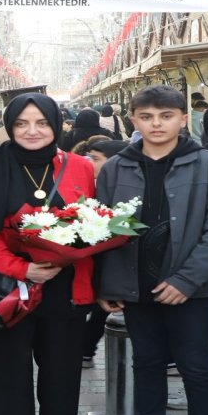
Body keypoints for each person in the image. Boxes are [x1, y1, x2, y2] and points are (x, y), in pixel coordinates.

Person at [94, 85, 208, 415]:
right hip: (136, 283)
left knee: (195, 364)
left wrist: (187, 280)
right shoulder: (116, 167)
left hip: (191, 287)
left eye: (166, 116)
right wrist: (108, 285)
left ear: (182, 119)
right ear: (133, 120)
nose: (156, 124)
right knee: (146, 361)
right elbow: (101, 229)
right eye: (147, 117)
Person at [0, 94, 96, 415]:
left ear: (56, 125)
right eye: (21, 123)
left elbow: (93, 222)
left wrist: (64, 256)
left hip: (65, 280)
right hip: (8, 283)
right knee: (6, 364)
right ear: (9, 126)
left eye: (41, 122)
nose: (32, 131)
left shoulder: (80, 166)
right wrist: (22, 268)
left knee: (62, 363)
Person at [78, 138, 130, 368]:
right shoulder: (91, 187)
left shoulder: (124, 192)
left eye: (95, 159)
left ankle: (85, 349)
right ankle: (85, 349)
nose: (89, 163)